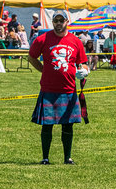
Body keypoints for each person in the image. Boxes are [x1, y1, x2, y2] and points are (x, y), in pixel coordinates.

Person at [27, 12, 88, 165]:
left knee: (68, 125)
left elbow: (83, 63)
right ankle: (45, 158)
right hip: (48, 90)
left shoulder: (76, 41)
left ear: (67, 21)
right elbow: (31, 57)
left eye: (61, 20)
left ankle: (67, 158)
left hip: (69, 90)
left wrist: (85, 71)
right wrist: (43, 70)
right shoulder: (42, 39)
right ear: (52, 22)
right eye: (56, 21)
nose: (59, 23)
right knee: (47, 126)